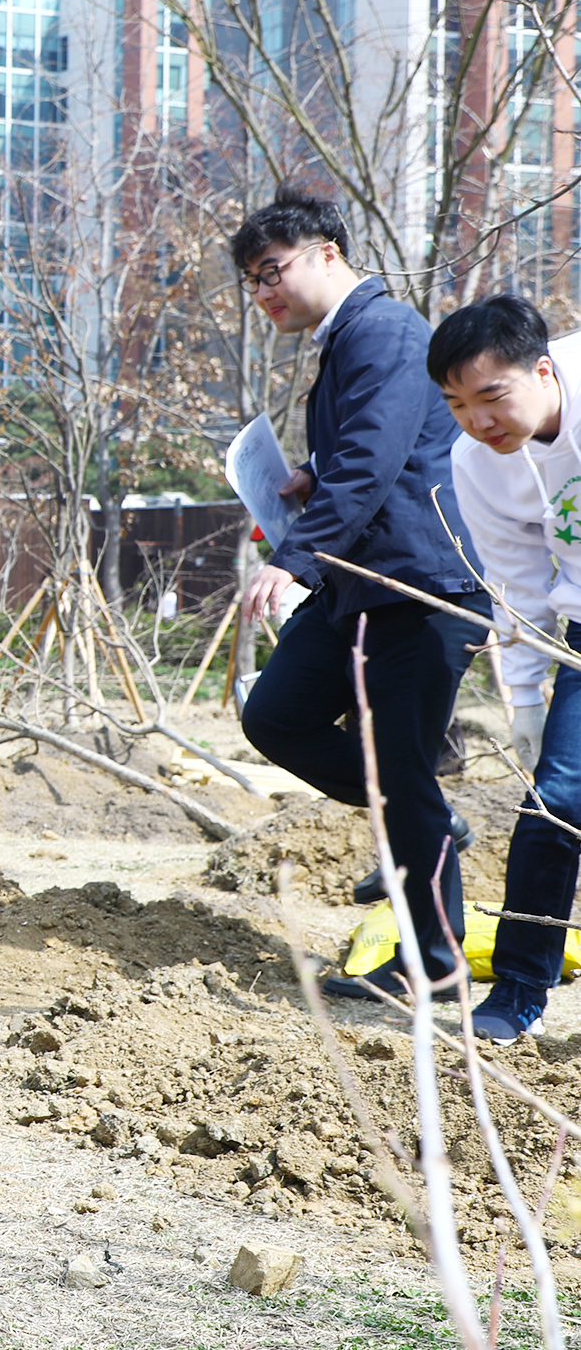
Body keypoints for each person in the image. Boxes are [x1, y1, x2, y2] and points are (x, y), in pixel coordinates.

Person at [231, 185, 487, 1000]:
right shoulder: (347, 341)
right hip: (363, 587)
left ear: (328, 254)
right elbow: (364, 455)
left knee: (402, 766)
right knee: (276, 714)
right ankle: (428, 820)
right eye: (253, 282)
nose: (264, 292)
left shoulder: (386, 332)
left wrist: (292, 559)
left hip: (418, 587)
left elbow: (374, 466)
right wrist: (306, 476)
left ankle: (436, 964)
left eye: (272, 272)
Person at [430, 294, 581, 1042]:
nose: (478, 421)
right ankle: (518, 990)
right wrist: (524, 701)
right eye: (458, 405)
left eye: (492, 396)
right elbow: (519, 585)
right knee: (555, 802)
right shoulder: (476, 464)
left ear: (544, 371)